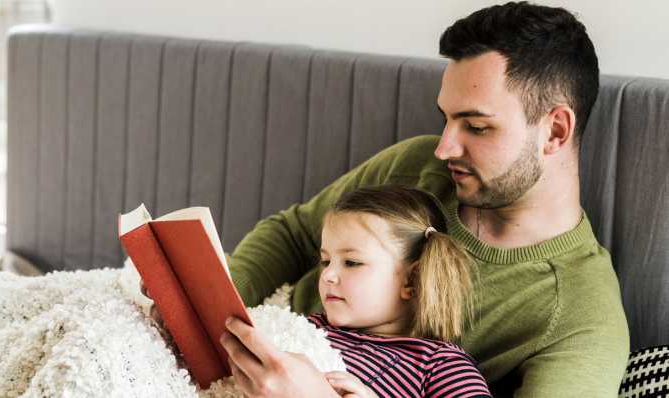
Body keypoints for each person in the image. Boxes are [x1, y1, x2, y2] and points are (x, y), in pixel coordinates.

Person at [221, 2, 630, 397]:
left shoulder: (581, 314)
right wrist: (218, 317)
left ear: (555, 131)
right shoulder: (417, 165)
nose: (445, 148)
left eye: (475, 126)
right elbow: (291, 234)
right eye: (446, 119)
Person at [307, 185, 491, 397]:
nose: (327, 275)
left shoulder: (439, 366)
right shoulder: (309, 328)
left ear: (412, 280)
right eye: (326, 261)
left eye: (351, 262)